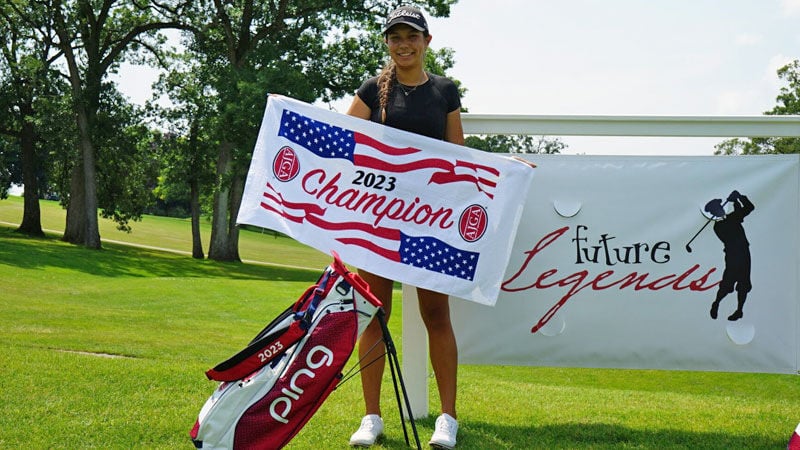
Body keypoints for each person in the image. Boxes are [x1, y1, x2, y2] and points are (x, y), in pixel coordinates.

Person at [345, 5, 462, 449]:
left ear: (427, 42)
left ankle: (447, 419)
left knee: (436, 316)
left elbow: (459, 157)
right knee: (375, 314)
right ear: (387, 43)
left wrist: (502, 171)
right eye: (395, 37)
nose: (403, 44)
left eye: (411, 36)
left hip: (430, 224)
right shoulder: (372, 90)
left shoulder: (444, 91)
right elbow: (343, 143)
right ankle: (371, 417)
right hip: (378, 220)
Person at [706, 190, 755, 321]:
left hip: (744, 253)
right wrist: (737, 201)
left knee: (744, 283)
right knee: (728, 282)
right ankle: (716, 303)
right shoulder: (719, 226)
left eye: (719, 207)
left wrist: (739, 198)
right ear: (714, 213)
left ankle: (739, 311)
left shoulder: (731, 218)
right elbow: (742, 213)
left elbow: (749, 208)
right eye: (717, 209)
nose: (720, 210)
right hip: (733, 256)